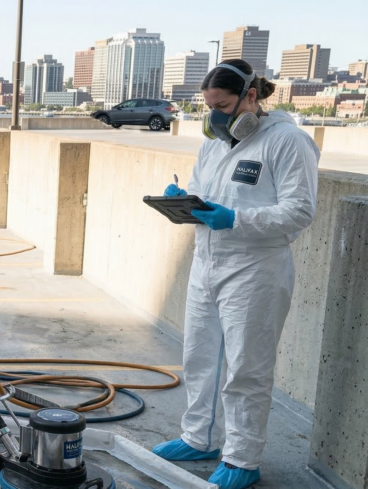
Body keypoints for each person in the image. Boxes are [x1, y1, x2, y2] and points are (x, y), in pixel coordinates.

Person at [154, 59, 319, 489]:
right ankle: (198, 437)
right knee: (200, 356)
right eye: (209, 106)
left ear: (251, 96)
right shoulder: (212, 144)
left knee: (247, 365)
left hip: (255, 269)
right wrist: (183, 201)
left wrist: (236, 219)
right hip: (207, 262)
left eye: (223, 105)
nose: (216, 116)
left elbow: (299, 211)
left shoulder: (287, 142)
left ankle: (242, 458)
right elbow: (203, 189)